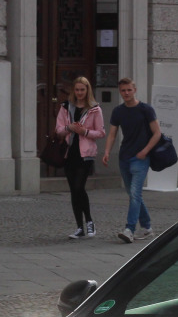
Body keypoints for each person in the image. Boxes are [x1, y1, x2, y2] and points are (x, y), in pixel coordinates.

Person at [101, 77, 162, 243]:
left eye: (129, 90)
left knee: (135, 193)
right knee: (132, 194)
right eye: (123, 90)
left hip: (141, 158)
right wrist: (107, 151)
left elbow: (157, 133)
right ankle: (148, 228)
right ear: (120, 92)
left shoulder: (145, 109)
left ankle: (129, 229)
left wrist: (145, 151)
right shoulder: (118, 111)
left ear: (134, 90)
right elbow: (112, 134)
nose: (126, 93)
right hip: (124, 157)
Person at [55, 76, 105, 239]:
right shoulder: (66, 107)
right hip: (70, 153)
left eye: (82, 90)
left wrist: (85, 132)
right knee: (73, 191)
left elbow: (101, 132)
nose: (79, 93)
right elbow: (59, 129)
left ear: (87, 90)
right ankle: (79, 227)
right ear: (73, 91)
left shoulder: (94, 109)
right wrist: (69, 128)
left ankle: (89, 221)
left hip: (86, 154)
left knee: (79, 187)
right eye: (77, 90)